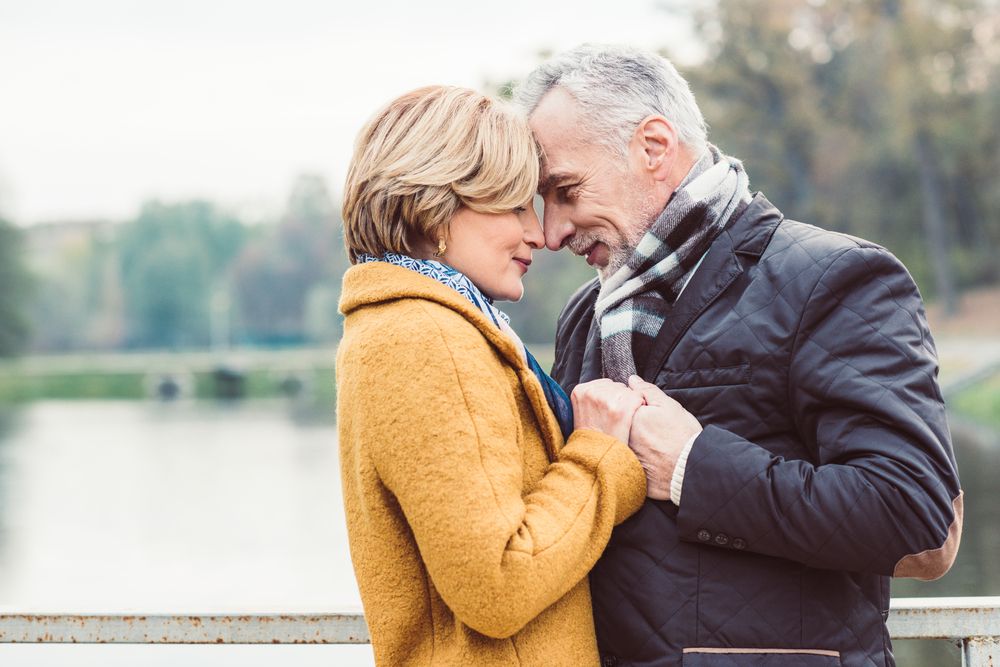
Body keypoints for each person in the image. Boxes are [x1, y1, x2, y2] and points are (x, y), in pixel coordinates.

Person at [516, 45, 963, 667]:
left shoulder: (833, 276)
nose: (551, 231)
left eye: (565, 190)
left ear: (653, 147)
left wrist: (691, 466)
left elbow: (911, 511)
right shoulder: (585, 314)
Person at [336, 85, 649, 666]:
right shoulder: (426, 339)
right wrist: (600, 455)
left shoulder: (414, 325)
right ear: (434, 207)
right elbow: (498, 584)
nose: (539, 234)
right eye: (513, 207)